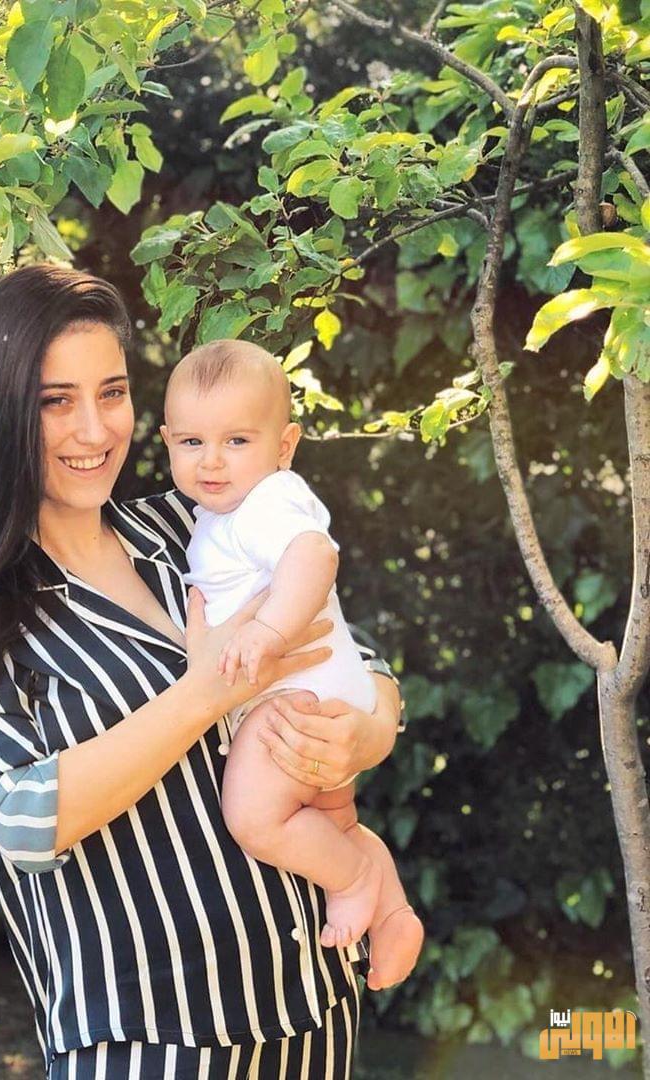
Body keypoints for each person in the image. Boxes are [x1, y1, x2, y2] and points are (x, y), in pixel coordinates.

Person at [0, 263, 406, 1078]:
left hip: (310, 1001)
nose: (94, 429)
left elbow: (353, 652)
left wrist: (367, 733)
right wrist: (204, 695)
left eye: (111, 393)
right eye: (56, 401)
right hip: (148, 1037)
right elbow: (19, 818)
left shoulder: (190, 524)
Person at [161, 338, 424, 992]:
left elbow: (313, 555)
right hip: (315, 698)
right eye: (191, 442)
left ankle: (355, 879)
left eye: (236, 441)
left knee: (254, 818)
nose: (211, 460)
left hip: (292, 700)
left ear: (284, 446)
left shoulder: (268, 501)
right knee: (334, 822)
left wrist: (270, 631)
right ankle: (391, 911)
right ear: (166, 442)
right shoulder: (215, 515)